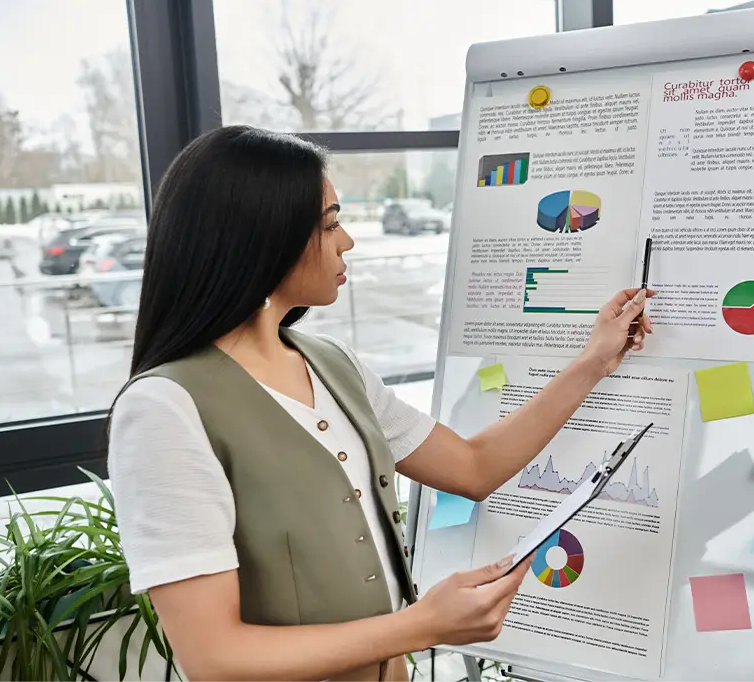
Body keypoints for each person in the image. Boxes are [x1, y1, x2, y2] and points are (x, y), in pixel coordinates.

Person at [107, 125, 653, 682]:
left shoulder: (332, 363)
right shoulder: (164, 409)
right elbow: (215, 658)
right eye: (330, 224)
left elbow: (472, 466)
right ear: (263, 241)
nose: (348, 241)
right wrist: (423, 625)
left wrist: (594, 361)